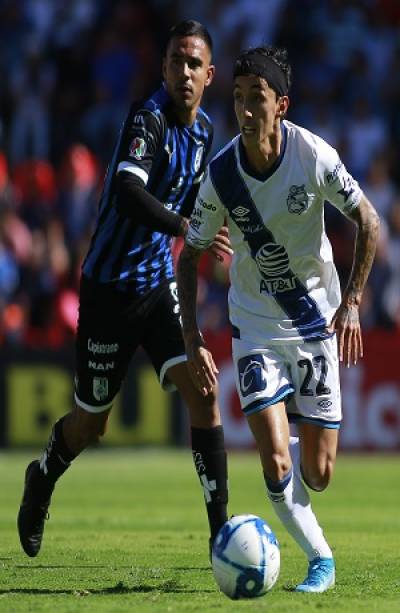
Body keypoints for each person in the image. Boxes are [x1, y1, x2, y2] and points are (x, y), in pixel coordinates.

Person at [18, 20, 232, 559]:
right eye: (175, 61)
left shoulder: (205, 132)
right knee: (91, 425)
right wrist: (185, 228)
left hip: (158, 285)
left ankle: (220, 534)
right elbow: (129, 189)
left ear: (209, 75)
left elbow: (191, 204)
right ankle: (41, 477)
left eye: (193, 64)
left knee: (203, 393)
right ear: (163, 67)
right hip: (108, 291)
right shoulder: (149, 119)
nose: (184, 72)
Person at [177, 46, 379, 592]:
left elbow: (369, 220)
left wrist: (353, 302)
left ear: (281, 105)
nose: (244, 109)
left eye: (256, 99)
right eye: (238, 98)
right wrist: (193, 337)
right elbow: (189, 257)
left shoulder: (313, 156)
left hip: (313, 322)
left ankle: (289, 435)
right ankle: (321, 560)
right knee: (276, 463)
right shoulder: (221, 176)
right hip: (255, 328)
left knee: (319, 474)